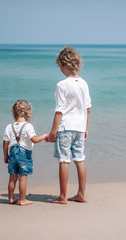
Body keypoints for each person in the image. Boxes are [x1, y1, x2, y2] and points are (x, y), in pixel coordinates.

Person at [46, 46, 92, 204]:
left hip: (66, 128)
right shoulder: (84, 83)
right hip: (79, 127)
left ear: (63, 65)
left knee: (64, 161)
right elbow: (88, 108)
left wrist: (52, 132)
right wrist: (85, 128)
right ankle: (81, 194)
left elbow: (59, 111)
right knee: (80, 159)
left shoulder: (62, 85)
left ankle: (63, 196)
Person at [3, 100, 47, 206]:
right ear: (28, 112)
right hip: (24, 154)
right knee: (22, 178)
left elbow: (5, 142)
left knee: (12, 178)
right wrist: (45, 135)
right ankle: (22, 199)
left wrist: (5, 155)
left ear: (14, 113)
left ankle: (11, 198)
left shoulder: (9, 127)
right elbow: (34, 139)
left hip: (12, 152)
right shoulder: (28, 126)